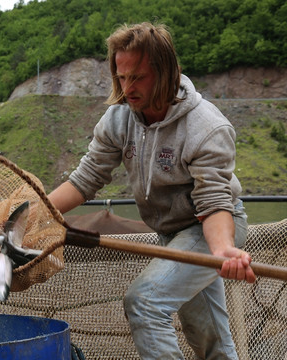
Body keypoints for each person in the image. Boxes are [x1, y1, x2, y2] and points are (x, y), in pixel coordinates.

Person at [48, 22, 256, 359]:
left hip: (212, 227)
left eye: (138, 77)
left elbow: (215, 201)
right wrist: (31, 216)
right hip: (172, 233)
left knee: (145, 302)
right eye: (121, 77)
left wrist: (221, 250)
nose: (127, 88)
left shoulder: (207, 127)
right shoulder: (119, 119)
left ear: (166, 73)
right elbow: (85, 179)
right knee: (208, 338)